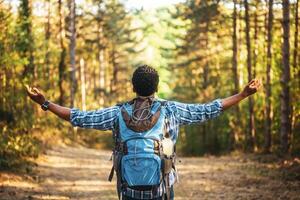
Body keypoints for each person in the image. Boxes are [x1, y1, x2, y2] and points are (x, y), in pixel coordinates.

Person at [26, 65, 261, 200]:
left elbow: (79, 117)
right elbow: (209, 109)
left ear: (133, 87)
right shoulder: (171, 110)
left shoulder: (117, 113)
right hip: (161, 188)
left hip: (128, 189)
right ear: (157, 87)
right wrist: (242, 95)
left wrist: (45, 103)